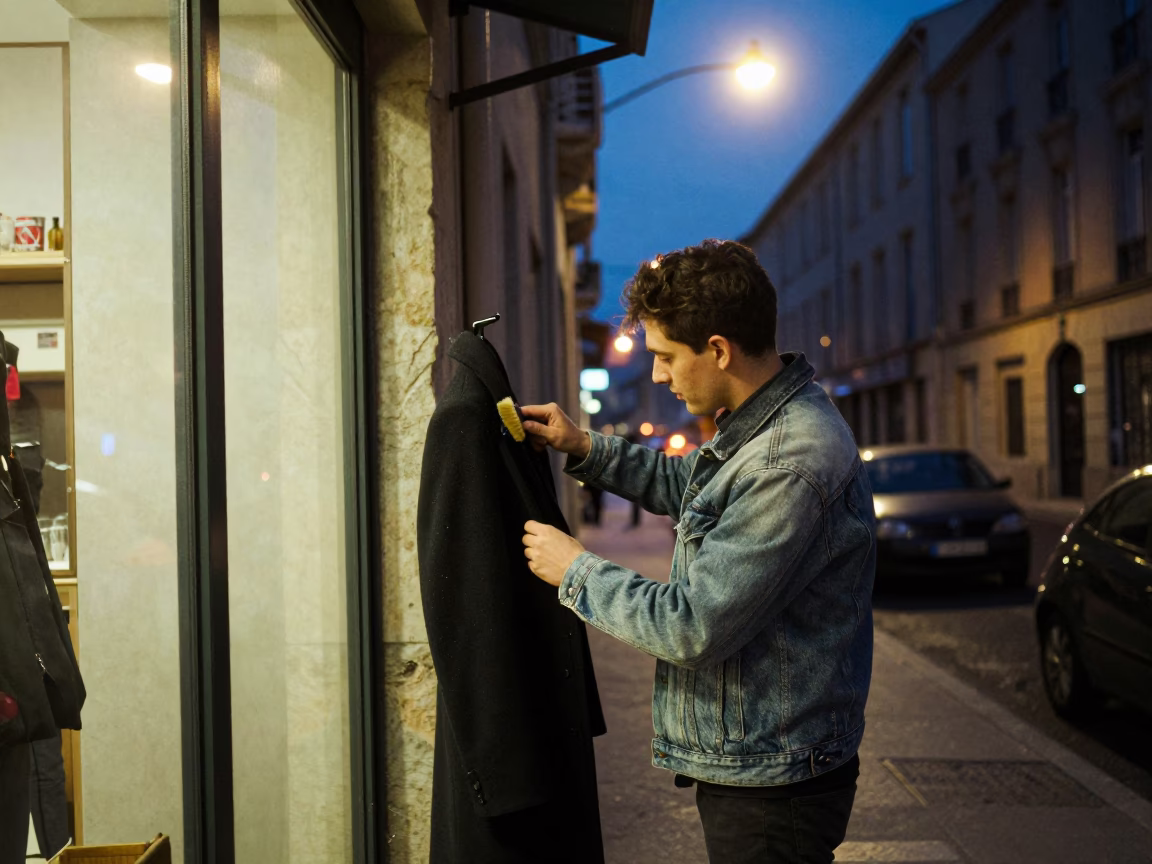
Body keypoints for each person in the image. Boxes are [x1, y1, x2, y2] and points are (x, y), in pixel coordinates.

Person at [519, 239, 876, 863]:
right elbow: (693, 492)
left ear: (717, 349)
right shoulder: (761, 426)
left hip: (776, 783)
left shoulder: (786, 460)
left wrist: (575, 570)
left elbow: (692, 626)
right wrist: (583, 447)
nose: (657, 375)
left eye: (665, 357)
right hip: (768, 763)